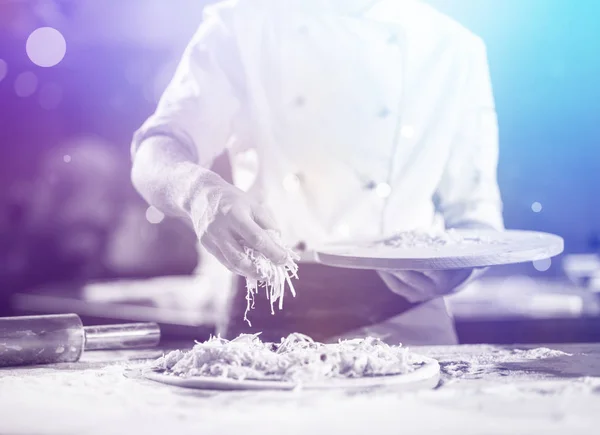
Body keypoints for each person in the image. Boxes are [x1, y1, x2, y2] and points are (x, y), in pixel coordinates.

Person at [131, 0, 504, 345]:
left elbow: (477, 213)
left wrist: (462, 269)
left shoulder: (453, 47)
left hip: (409, 314)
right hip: (265, 309)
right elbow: (154, 153)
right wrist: (197, 191)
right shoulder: (241, 24)